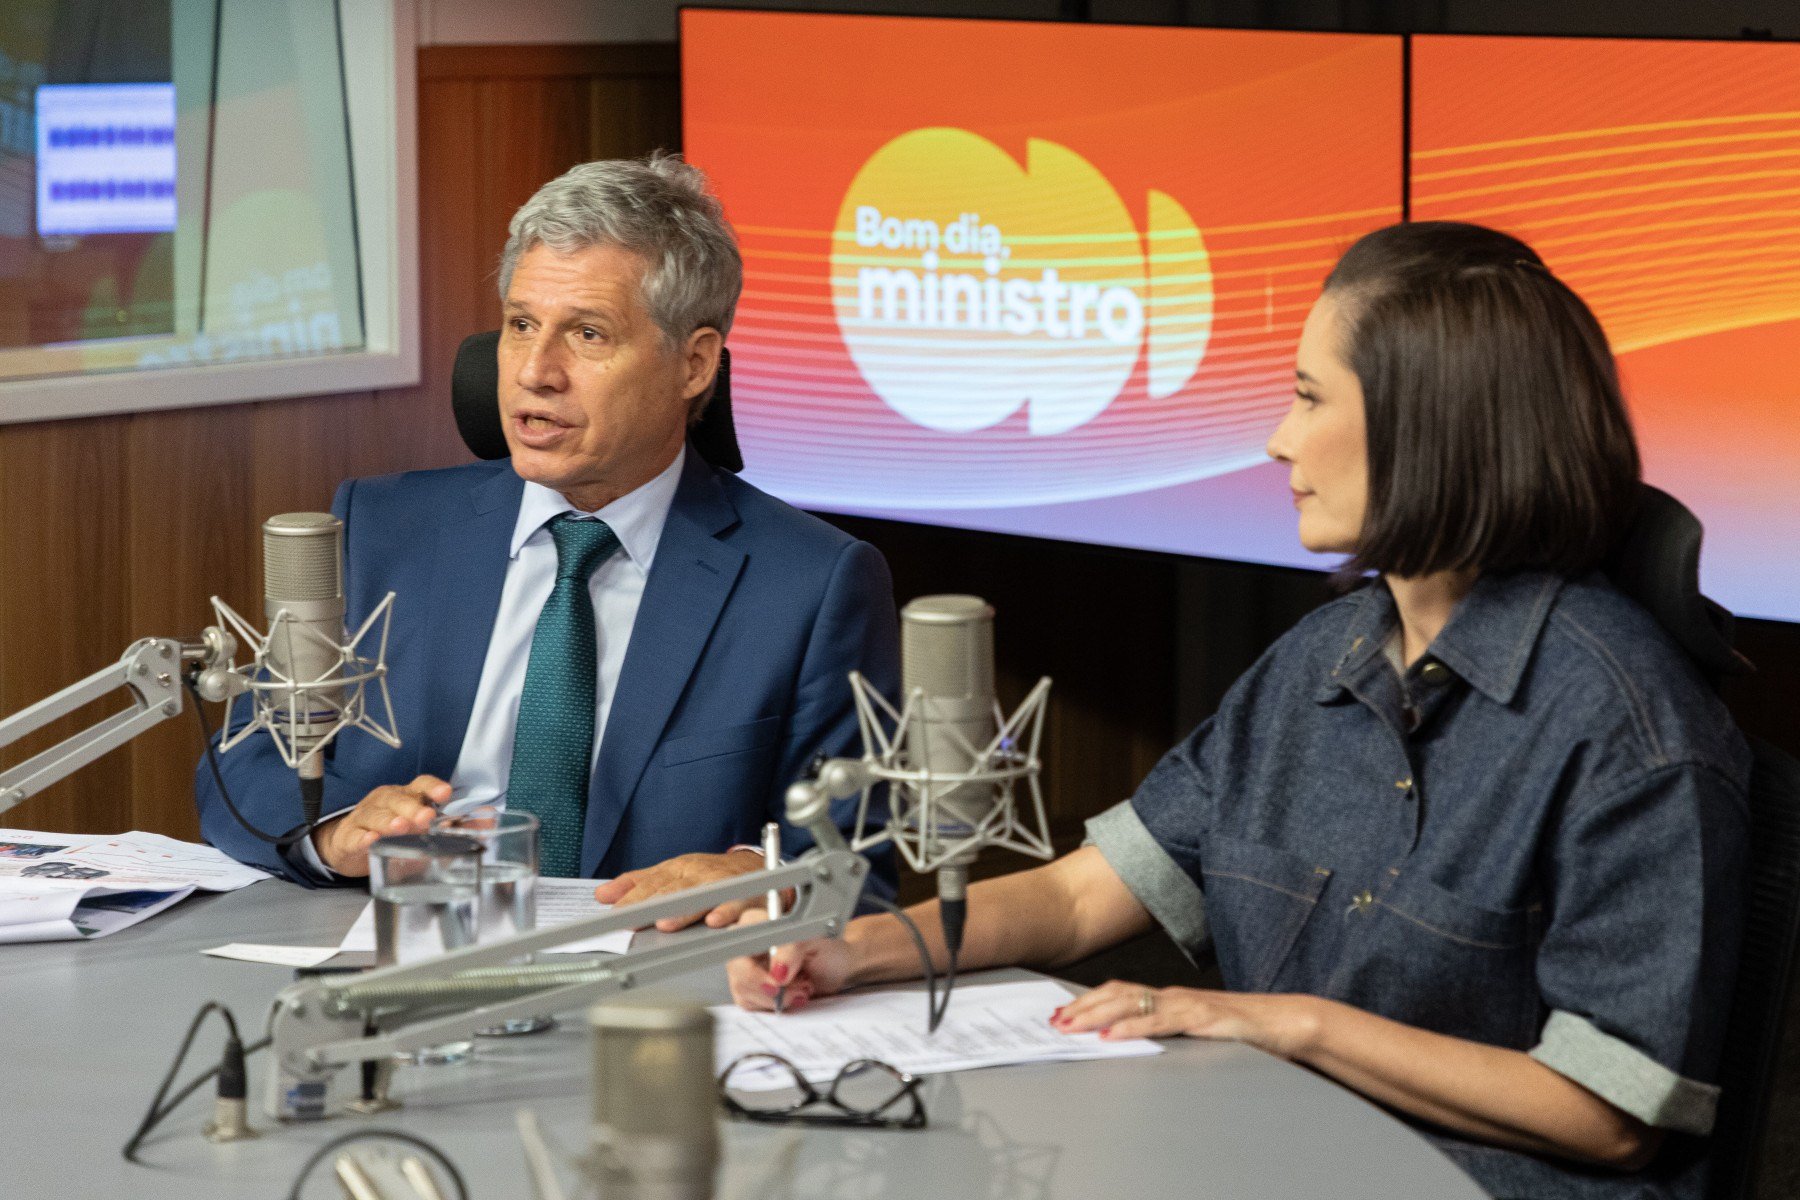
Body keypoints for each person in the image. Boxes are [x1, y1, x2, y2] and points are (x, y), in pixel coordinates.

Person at [729, 222, 1750, 1200]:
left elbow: (1610, 1110)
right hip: (1268, 1151)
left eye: (1308, 398)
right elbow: (1082, 898)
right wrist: (856, 949)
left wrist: (1291, 1026)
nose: (1277, 440)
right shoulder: (1318, 661)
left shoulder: (1630, 728)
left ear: (1428, 428)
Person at [196, 154, 899, 925]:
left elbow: (857, 868)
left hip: (650, 968)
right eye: (521, 324)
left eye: (588, 334)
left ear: (694, 364)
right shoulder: (384, 529)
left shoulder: (809, 584)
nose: (535, 372)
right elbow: (243, 766)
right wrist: (334, 835)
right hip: (390, 943)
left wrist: (755, 876)